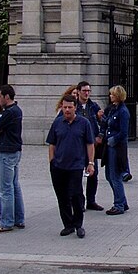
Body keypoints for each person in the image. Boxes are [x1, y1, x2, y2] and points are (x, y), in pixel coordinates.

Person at [46, 94, 95, 238]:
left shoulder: (84, 123)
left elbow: (90, 144)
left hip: (76, 166)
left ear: (75, 108)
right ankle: (68, 224)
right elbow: (52, 143)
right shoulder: (57, 123)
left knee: (76, 195)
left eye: (70, 107)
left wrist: (90, 163)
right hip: (58, 166)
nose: (67, 110)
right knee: (62, 196)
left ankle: (78, 224)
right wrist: (52, 161)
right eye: (65, 107)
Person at [0, 84, 25, 232]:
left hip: (7, 151)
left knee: (5, 188)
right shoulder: (17, 110)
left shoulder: (9, 112)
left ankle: (6, 222)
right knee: (14, 186)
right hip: (15, 150)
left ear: (7, 97)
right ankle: (19, 218)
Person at [100, 85, 130, 215]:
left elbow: (124, 132)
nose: (110, 96)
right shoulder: (112, 109)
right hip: (109, 145)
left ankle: (118, 204)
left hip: (116, 147)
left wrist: (114, 139)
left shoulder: (123, 111)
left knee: (115, 176)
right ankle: (122, 201)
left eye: (112, 94)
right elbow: (106, 123)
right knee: (108, 175)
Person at [76, 81, 104, 210]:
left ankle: (91, 200)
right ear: (78, 91)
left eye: (88, 91)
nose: (87, 93)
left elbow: (104, 122)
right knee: (76, 175)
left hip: (91, 145)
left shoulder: (93, 106)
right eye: (84, 91)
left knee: (93, 173)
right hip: (77, 146)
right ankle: (79, 202)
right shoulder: (72, 106)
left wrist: (100, 135)